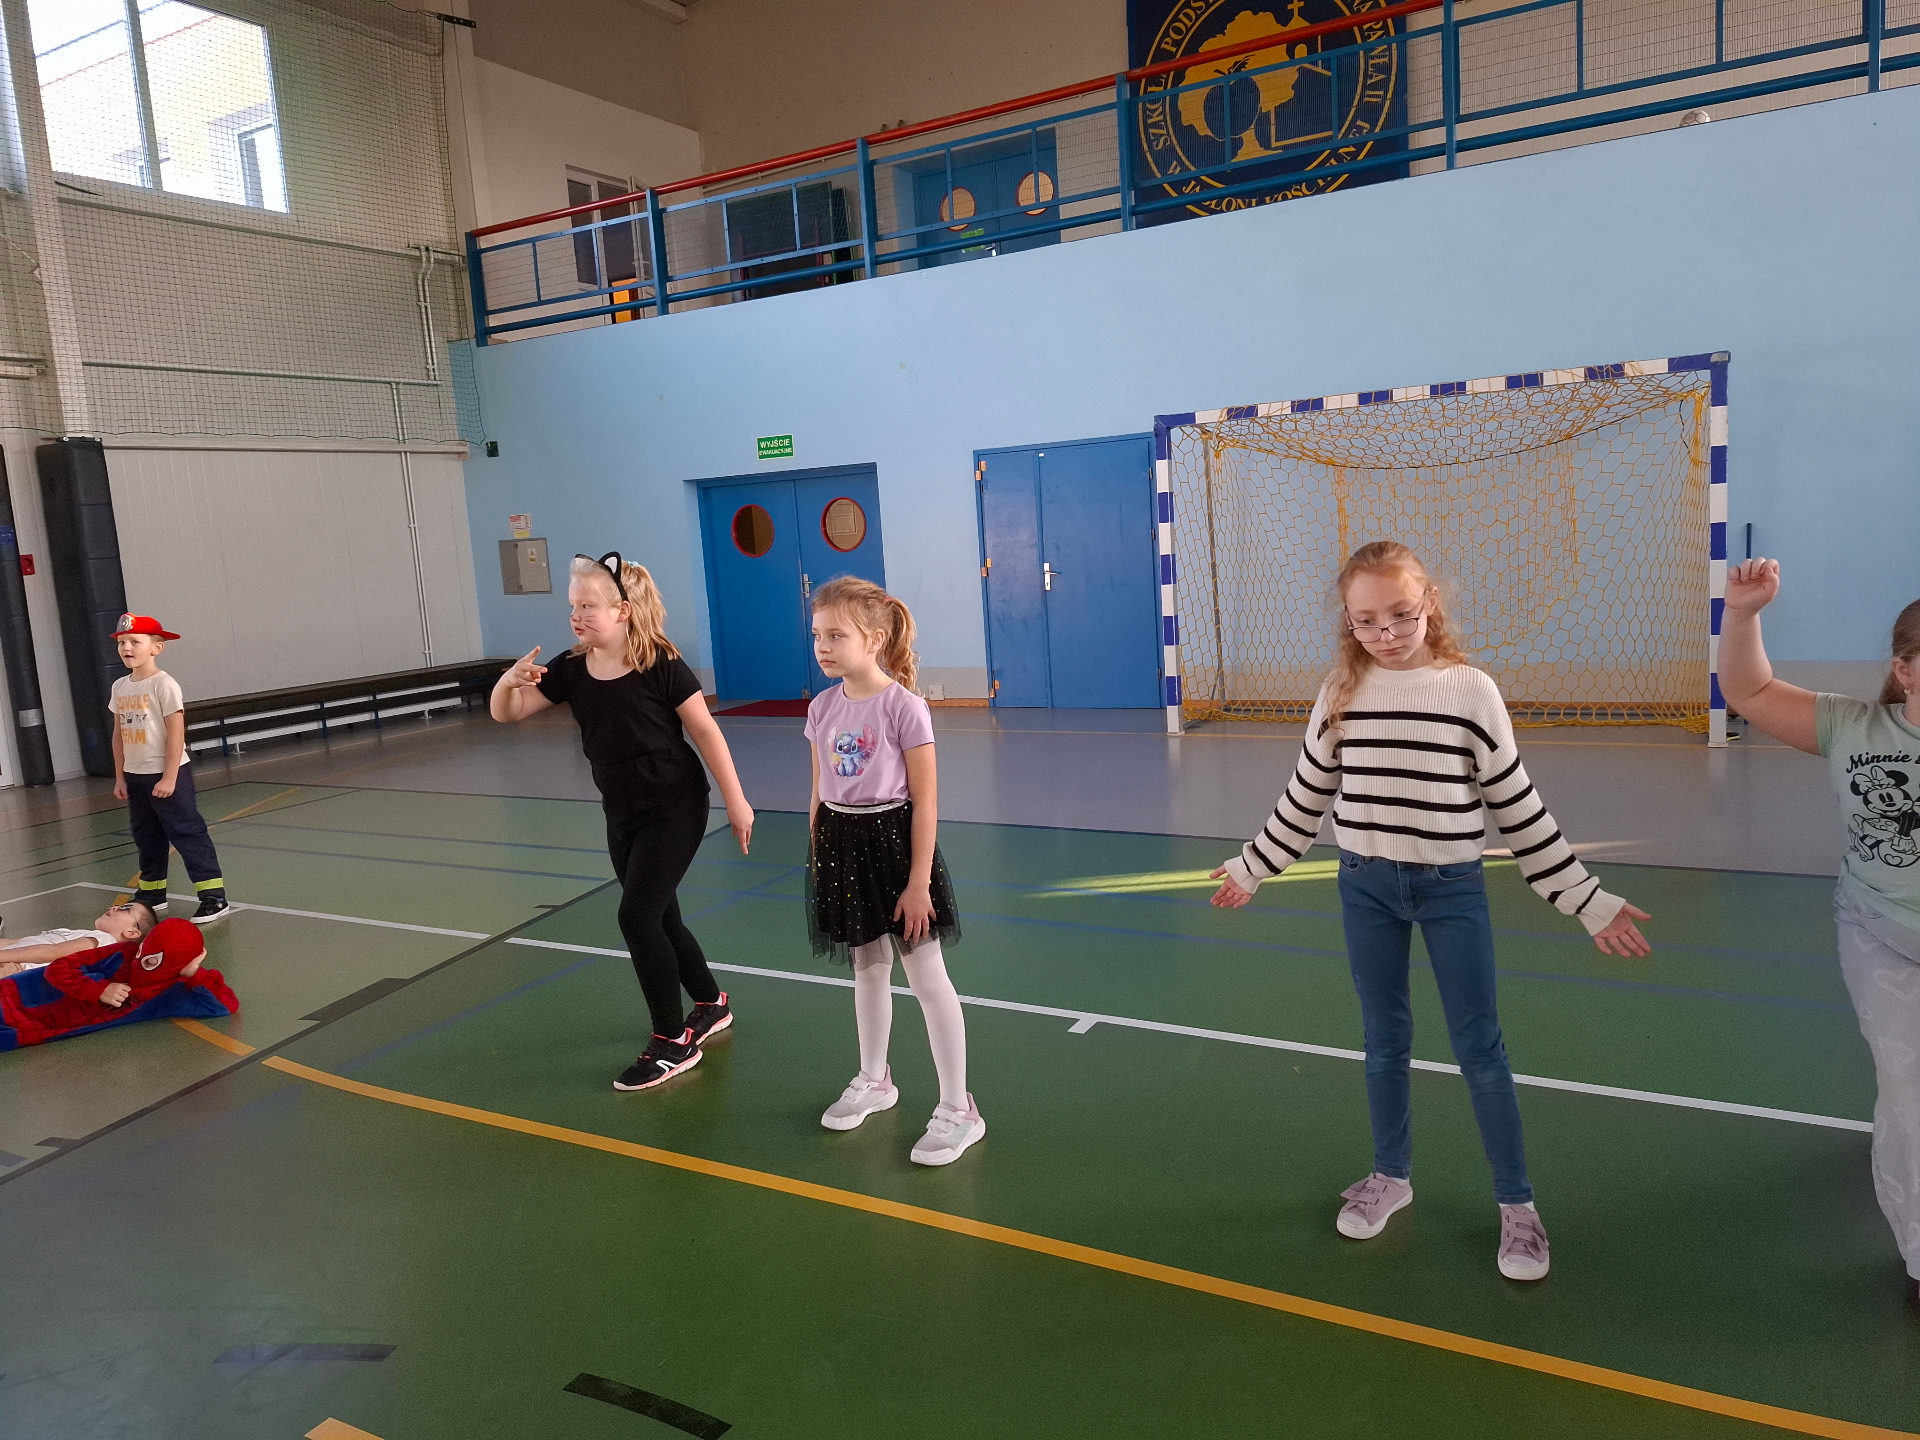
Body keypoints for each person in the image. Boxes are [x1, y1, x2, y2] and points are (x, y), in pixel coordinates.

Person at [1208, 541, 1651, 1280]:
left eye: (1401, 614)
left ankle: (1517, 1205)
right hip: (1364, 886)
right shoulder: (1340, 692)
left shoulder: (1470, 691)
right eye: (1366, 620)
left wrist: (1585, 898)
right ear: (1348, 620)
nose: (1385, 632)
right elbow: (1306, 796)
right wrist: (1254, 866)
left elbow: (1518, 807)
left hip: (1451, 889)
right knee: (1384, 1039)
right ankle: (1391, 1176)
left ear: (1430, 606)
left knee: (1480, 1046)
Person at [1719, 557, 1920, 1300]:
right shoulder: (1854, 728)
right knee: (1908, 1092)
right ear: (1905, 669)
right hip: (1881, 932)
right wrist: (1744, 614)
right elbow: (1749, 691)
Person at [490, 552, 753, 1092]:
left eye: (589, 606)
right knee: (661, 916)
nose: (577, 616)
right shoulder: (570, 669)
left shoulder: (661, 665)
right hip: (623, 814)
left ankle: (672, 1041)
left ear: (623, 611)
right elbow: (507, 713)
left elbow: (706, 732)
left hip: (676, 807)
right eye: (573, 606)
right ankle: (711, 1004)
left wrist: (737, 801)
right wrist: (507, 682)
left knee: (637, 917)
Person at [805, 577, 981, 1167]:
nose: (823, 646)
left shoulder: (904, 707)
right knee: (867, 967)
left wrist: (918, 882)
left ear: (875, 639)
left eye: (837, 635)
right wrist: (819, 854)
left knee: (926, 977)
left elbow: (925, 802)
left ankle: (958, 1107)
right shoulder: (821, 708)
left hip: (894, 848)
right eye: (817, 635)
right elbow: (819, 791)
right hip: (842, 844)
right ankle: (874, 1078)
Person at [111, 614, 230, 924]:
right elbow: (118, 734)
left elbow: (176, 733)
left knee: (187, 832)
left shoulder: (163, 684)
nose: (126, 648)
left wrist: (169, 777)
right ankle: (152, 893)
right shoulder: (120, 686)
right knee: (146, 835)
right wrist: (120, 776)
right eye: (122, 643)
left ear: (157, 648)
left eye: (135, 642)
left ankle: (213, 897)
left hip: (166, 774)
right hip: (135, 776)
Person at [0, 917, 235, 1050]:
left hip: (30, 1030)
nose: (139, 962)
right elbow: (58, 967)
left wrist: (195, 973)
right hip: (14, 994)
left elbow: (224, 1005)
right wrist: (98, 988)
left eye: (151, 961)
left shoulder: (169, 994)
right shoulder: (122, 952)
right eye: (143, 952)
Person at [0, 902, 154, 980]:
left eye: (126, 908)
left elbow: (53, 952)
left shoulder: (104, 940)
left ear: (131, 932)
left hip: (15, 969)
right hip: (10, 960)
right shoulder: (82, 934)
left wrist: (3, 956)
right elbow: (17, 943)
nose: (115, 907)